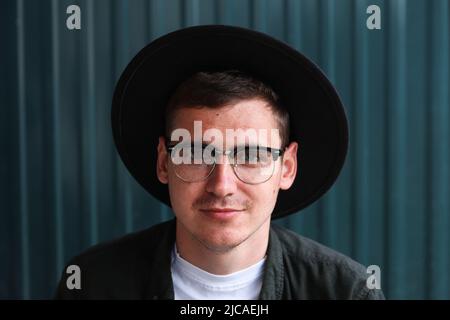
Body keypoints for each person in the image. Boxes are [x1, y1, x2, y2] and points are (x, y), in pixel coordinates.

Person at [55, 25, 384, 300]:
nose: (222, 185)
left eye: (251, 156)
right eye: (197, 154)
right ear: (164, 163)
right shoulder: (91, 286)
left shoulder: (345, 292)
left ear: (286, 168)